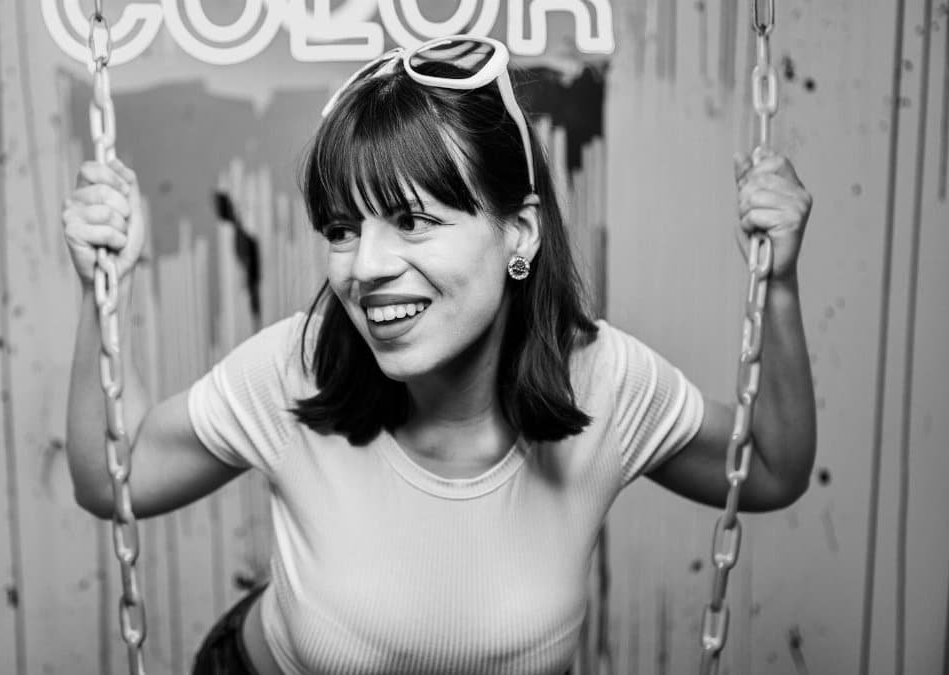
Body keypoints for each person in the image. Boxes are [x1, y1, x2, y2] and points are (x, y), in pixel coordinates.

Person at [60, 36, 815, 675]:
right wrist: (102, 289)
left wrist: (775, 286)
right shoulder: (297, 369)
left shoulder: (605, 382)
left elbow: (770, 470)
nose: (367, 265)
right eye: (342, 228)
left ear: (519, 233)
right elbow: (112, 474)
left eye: (412, 220)